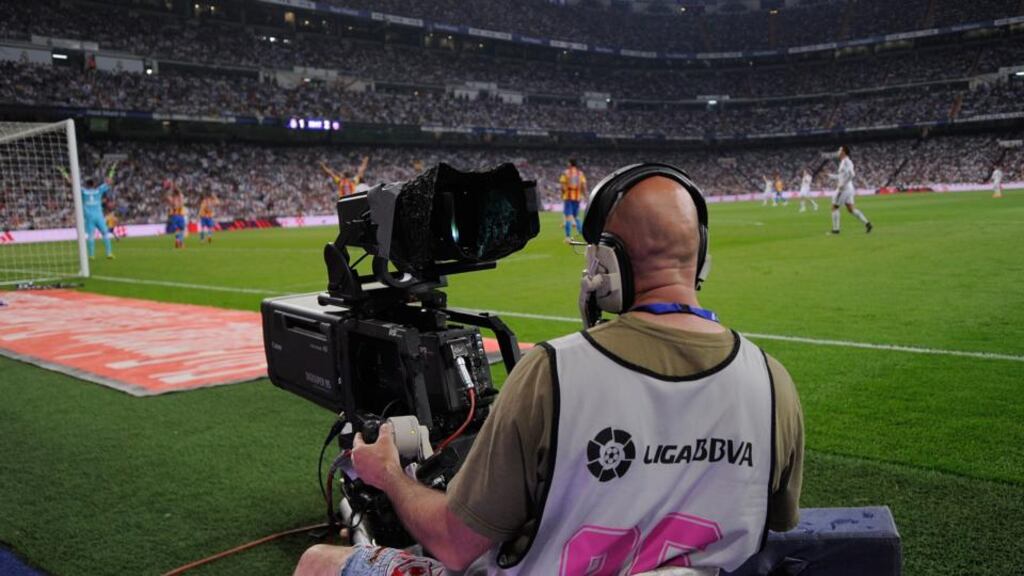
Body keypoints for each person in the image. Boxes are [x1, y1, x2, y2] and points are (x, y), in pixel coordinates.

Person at [294, 165, 804, 576]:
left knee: (319, 563)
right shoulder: (772, 381)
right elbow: (776, 522)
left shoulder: (554, 372)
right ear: (702, 258)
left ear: (604, 265)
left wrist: (387, 476)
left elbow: (454, 544)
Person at [59, 163, 116, 259]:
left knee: (90, 236)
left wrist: (64, 173)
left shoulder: (83, 191)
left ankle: (91, 255)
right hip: (99, 216)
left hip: (89, 217)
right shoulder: (99, 190)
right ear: (94, 184)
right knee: (105, 234)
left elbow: (71, 183)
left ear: (86, 185)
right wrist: (112, 171)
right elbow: (109, 182)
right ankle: (109, 253)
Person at [828, 145, 872, 234]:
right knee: (850, 209)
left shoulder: (846, 162)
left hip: (844, 189)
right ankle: (867, 223)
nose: (838, 152)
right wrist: (830, 176)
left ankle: (836, 230)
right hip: (849, 188)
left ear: (843, 152)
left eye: (839, 150)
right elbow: (842, 176)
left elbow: (852, 174)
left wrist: (842, 184)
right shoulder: (844, 161)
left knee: (834, 207)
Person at [560, 159, 586, 242]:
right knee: (575, 216)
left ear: (570, 164)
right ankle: (582, 232)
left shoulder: (566, 173)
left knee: (568, 217)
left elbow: (563, 186)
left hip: (568, 197)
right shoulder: (580, 173)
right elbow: (584, 185)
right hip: (577, 198)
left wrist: (563, 193)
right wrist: (584, 195)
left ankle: (567, 236)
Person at [165, 179, 187, 249]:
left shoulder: (171, 198)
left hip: (174, 215)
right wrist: (174, 186)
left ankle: (177, 239)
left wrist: (170, 188)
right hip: (180, 215)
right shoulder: (181, 197)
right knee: (182, 229)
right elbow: (180, 193)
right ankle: (181, 242)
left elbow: (167, 197)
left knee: (177, 229)